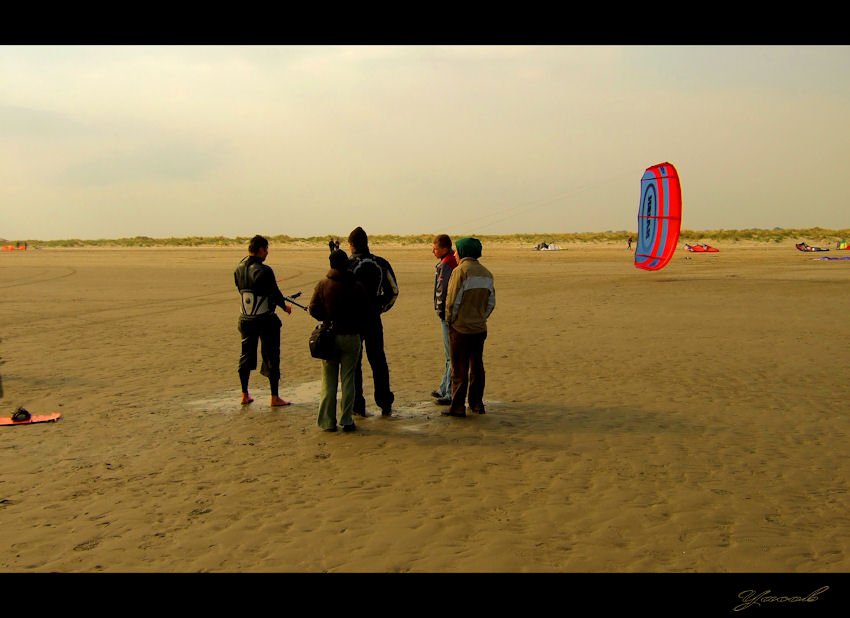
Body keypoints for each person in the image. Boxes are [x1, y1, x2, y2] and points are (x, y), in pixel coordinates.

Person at [309, 249, 367, 432]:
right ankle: (347, 419)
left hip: (330, 336)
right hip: (351, 336)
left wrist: (326, 317)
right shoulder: (357, 286)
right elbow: (365, 311)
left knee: (329, 379)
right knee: (349, 379)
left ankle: (327, 421)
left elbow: (313, 309)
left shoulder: (323, 284)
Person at [234, 235, 293, 407]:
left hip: (245, 319)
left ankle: (244, 394)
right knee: (271, 356)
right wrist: (285, 307)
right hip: (264, 319)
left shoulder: (239, 268)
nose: (267, 253)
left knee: (246, 354)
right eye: (266, 249)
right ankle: (274, 397)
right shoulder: (264, 270)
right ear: (261, 249)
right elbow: (274, 293)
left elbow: (241, 289)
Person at [347, 226, 396, 416]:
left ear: (351, 245)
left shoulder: (349, 265)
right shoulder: (380, 263)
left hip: (354, 321)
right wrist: (380, 308)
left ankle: (357, 404)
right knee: (378, 360)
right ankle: (384, 402)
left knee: (355, 363)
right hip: (374, 319)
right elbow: (393, 292)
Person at [444, 237, 495, 418]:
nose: (455, 254)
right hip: (479, 327)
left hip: (461, 328)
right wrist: (481, 317)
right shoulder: (487, 273)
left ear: (464, 252)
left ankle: (457, 406)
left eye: (457, 251)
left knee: (459, 368)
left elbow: (453, 301)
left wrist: (450, 320)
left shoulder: (460, 272)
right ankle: (476, 403)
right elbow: (491, 302)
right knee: (477, 366)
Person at [431, 234, 458, 405]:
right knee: (448, 355)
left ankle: (448, 392)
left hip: (447, 315)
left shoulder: (447, 264)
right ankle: (443, 387)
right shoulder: (447, 262)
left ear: (444, 248)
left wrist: (441, 311)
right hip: (448, 314)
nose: (432, 251)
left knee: (450, 356)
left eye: (435, 248)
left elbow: (443, 291)